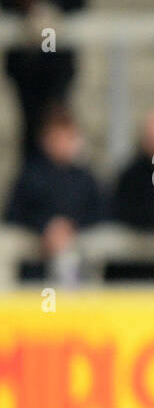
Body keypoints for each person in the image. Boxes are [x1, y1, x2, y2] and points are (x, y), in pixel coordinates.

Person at [1, 0, 86, 157]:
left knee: (56, 118)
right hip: (26, 63)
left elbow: (78, 0)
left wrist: (53, 14)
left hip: (57, 62)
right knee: (30, 126)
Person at [3, 104, 100, 284]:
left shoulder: (84, 177)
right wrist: (45, 227)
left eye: (66, 137)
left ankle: (71, 306)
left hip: (75, 237)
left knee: (69, 255)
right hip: (36, 237)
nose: (61, 143)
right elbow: (14, 212)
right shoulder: (31, 174)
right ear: (45, 140)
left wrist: (71, 226)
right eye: (56, 138)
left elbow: (99, 212)